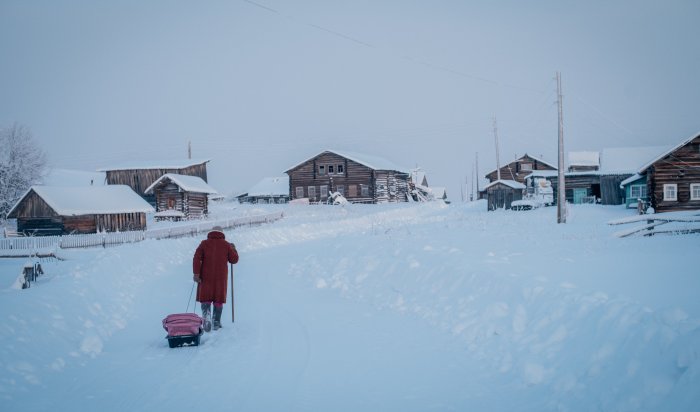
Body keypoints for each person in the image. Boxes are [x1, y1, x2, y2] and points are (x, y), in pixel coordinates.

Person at [192, 225, 239, 331]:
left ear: (211, 232)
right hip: (220, 278)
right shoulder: (226, 245)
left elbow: (196, 258)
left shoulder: (204, 244)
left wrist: (196, 274)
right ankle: (216, 321)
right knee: (218, 299)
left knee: (206, 298)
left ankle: (206, 316)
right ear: (222, 234)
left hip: (205, 276)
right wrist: (233, 249)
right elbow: (234, 260)